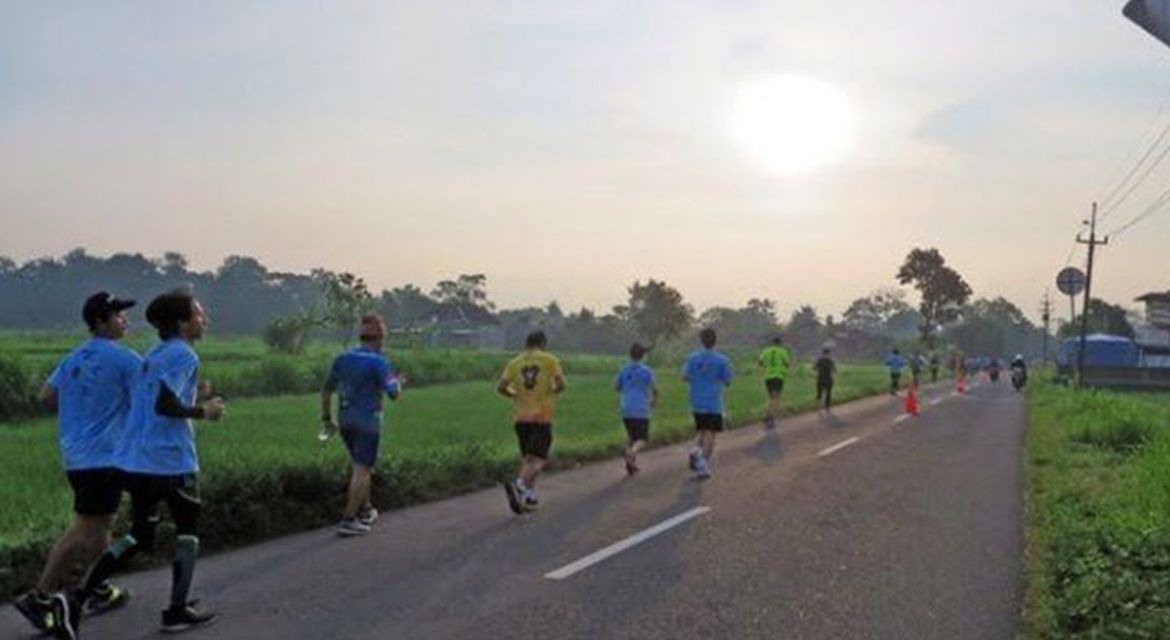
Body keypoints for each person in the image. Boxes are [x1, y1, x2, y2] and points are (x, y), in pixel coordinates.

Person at [72, 290, 226, 636]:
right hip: (169, 461)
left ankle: (76, 597)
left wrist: (193, 394)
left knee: (140, 535)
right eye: (199, 314)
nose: (205, 319)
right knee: (188, 530)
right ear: (184, 322)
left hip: (136, 461)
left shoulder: (155, 353)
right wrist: (204, 410)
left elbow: (157, 397)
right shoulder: (185, 355)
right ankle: (176, 610)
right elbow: (165, 406)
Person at [13, 293, 139, 638]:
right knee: (85, 527)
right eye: (118, 315)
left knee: (102, 523)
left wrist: (81, 411)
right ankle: (39, 596)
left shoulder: (73, 358)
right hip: (105, 456)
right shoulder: (125, 359)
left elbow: (46, 396)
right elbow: (150, 397)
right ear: (99, 321)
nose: (125, 320)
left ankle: (99, 586)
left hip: (77, 455)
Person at [320, 313, 402, 536]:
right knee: (363, 469)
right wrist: (397, 382)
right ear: (380, 338)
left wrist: (327, 419)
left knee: (361, 466)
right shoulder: (379, 362)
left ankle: (366, 509)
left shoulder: (342, 358)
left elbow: (326, 390)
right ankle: (348, 519)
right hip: (369, 422)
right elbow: (393, 393)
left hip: (345, 421)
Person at [496, 330, 566, 514]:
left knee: (528, 458)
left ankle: (529, 496)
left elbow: (501, 387)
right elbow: (561, 383)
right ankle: (519, 484)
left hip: (521, 417)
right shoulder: (550, 360)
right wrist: (552, 390)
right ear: (542, 343)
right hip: (541, 416)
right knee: (540, 459)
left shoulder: (514, 362)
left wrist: (514, 394)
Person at [683, 328, 733, 480]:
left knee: (702, 430)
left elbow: (685, 377)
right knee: (711, 434)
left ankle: (695, 451)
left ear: (701, 341)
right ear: (715, 341)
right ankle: (702, 464)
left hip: (696, 400)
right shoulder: (722, 360)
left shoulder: (692, 358)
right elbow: (728, 381)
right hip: (713, 401)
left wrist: (699, 378)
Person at [614, 343, 658, 475]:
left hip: (626, 407)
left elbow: (617, 387)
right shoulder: (647, 371)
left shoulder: (623, 369)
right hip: (641, 408)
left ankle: (631, 464)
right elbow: (654, 390)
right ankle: (630, 453)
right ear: (643, 356)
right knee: (642, 439)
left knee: (632, 437)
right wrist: (654, 402)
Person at [757, 336, 791, 430]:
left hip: (768, 376)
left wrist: (767, 367)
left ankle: (769, 414)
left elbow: (760, 362)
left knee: (771, 397)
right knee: (776, 397)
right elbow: (787, 363)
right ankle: (769, 416)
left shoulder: (766, 351)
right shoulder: (782, 351)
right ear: (780, 343)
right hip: (778, 376)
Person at [814, 347, 837, 412]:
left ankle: (818, 406)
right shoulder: (831, 361)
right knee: (828, 393)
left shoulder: (820, 360)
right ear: (829, 354)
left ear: (822, 353)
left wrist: (818, 369)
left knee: (819, 392)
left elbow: (814, 367)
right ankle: (827, 406)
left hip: (820, 378)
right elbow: (834, 370)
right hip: (828, 379)